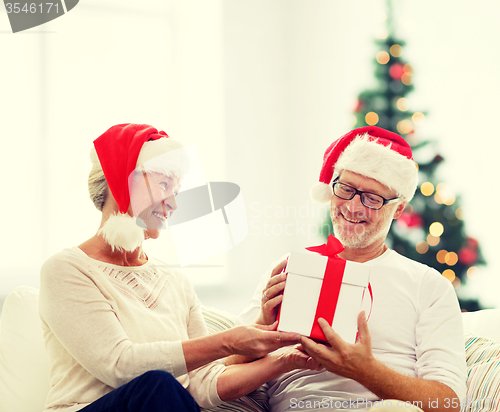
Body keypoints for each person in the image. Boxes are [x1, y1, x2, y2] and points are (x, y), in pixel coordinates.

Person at [39, 123, 321, 412]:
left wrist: (286, 359)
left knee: (166, 389)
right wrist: (228, 342)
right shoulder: (66, 269)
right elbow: (120, 366)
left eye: (176, 190)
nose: (173, 204)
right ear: (121, 180)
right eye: (164, 185)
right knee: (158, 385)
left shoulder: (174, 281)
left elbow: (200, 385)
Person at [237, 126, 467, 412]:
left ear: (398, 208)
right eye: (345, 189)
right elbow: (220, 372)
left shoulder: (427, 285)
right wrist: (262, 323)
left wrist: (365, 370)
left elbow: (448, 402)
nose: (353, 207)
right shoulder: (288, 268)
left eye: (372, 198)